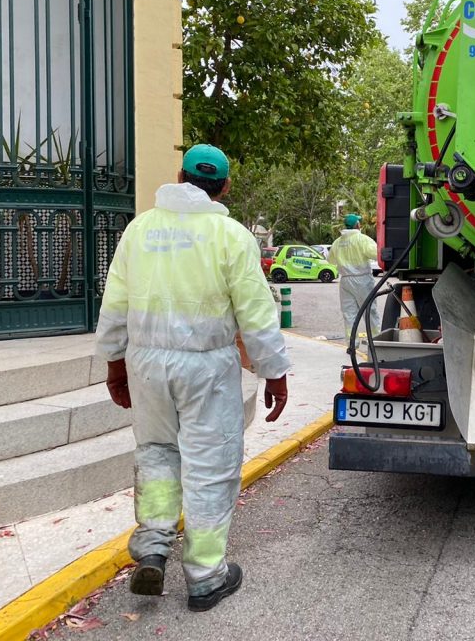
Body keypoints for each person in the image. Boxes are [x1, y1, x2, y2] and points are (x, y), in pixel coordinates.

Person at [95, 144, 291, 612]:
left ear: (179, 175)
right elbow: (257, 314)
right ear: (223, 186)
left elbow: (115, 304)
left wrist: (114, 364)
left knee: (158, 452)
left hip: (146, 363)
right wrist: (274, 373)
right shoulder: (231, 236)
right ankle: (205, 576)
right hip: (207, 369)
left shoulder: (139, 230)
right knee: (210, 466)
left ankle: (153, 545)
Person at [328, 213, 381, 344]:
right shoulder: (362, 239)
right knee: (369, 311)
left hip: (345, 280)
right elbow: (376, 254)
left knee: (349, 313)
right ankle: (375, 340)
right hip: (362, 279)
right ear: (357, 225)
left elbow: (331, 260)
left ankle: (352, 343)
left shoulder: (337, 242)